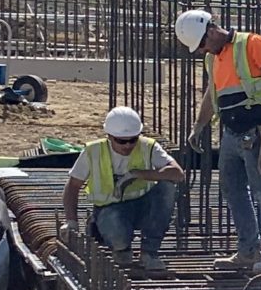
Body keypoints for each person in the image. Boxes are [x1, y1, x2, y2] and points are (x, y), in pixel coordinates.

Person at [174, 8, 261, 280]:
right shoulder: (213, 58)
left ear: (211, 30)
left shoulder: (252, 43)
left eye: (202, 44)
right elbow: (212, 94)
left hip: (258, 132)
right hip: (231, 133)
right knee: (232, 189)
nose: (203, 50)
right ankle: (248, 250)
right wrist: (199, 125)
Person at [56, 106, 182, 272]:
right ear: (109, 136)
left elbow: (177, 174)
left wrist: (138, 174)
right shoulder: (93, 151)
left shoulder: (148, 146)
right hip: (110, 208)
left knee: (167, 187)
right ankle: (116, 244)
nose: (128, 145)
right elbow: (73, 186)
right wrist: (71, 221)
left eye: (133, 140)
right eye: (121, 141)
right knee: (118, 238)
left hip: (142, 206)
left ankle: (149, 253)